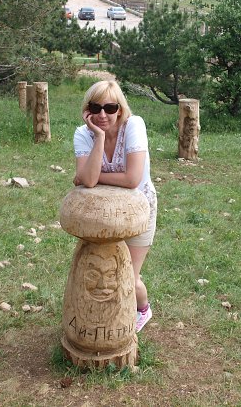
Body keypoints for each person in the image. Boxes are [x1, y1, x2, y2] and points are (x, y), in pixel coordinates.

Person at [73, 80, 157, 332]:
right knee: (101, 276)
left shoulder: (134, 125)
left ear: (120, 109)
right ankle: (104, 321)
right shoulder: (83, 134)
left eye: (110, 108)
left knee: (128, 276)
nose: (102, 115)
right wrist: (99, 137)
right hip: (102, 214)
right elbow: (88, 180)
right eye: (95, 107)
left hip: (138, 211)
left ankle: (143, 309)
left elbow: (132, 179)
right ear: (87, 109)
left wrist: (91, 176)